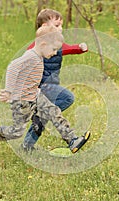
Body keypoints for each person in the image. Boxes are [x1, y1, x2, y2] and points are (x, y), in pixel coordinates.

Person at [0, 25, 90, 154]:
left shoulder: (39, 56)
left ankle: (72, 140)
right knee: (16, 132)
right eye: (53, 49)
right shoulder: (30, 56)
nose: (54, 53)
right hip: (22, 100)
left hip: (36, 95)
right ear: (43, 44)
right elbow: (12, 68)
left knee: (54, 111)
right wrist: (8, 91)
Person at [22, 9, 88, 150]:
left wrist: (80, 48)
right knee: (67, 98)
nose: (60, 28)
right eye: (56, 25)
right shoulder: (36, 47)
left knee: (44, 116)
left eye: (61, 25)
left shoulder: (57, 44)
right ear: (45, 27)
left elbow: (69, 49)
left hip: (51, 85)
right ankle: (70, 138)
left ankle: (27, 145)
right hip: (41, 87)